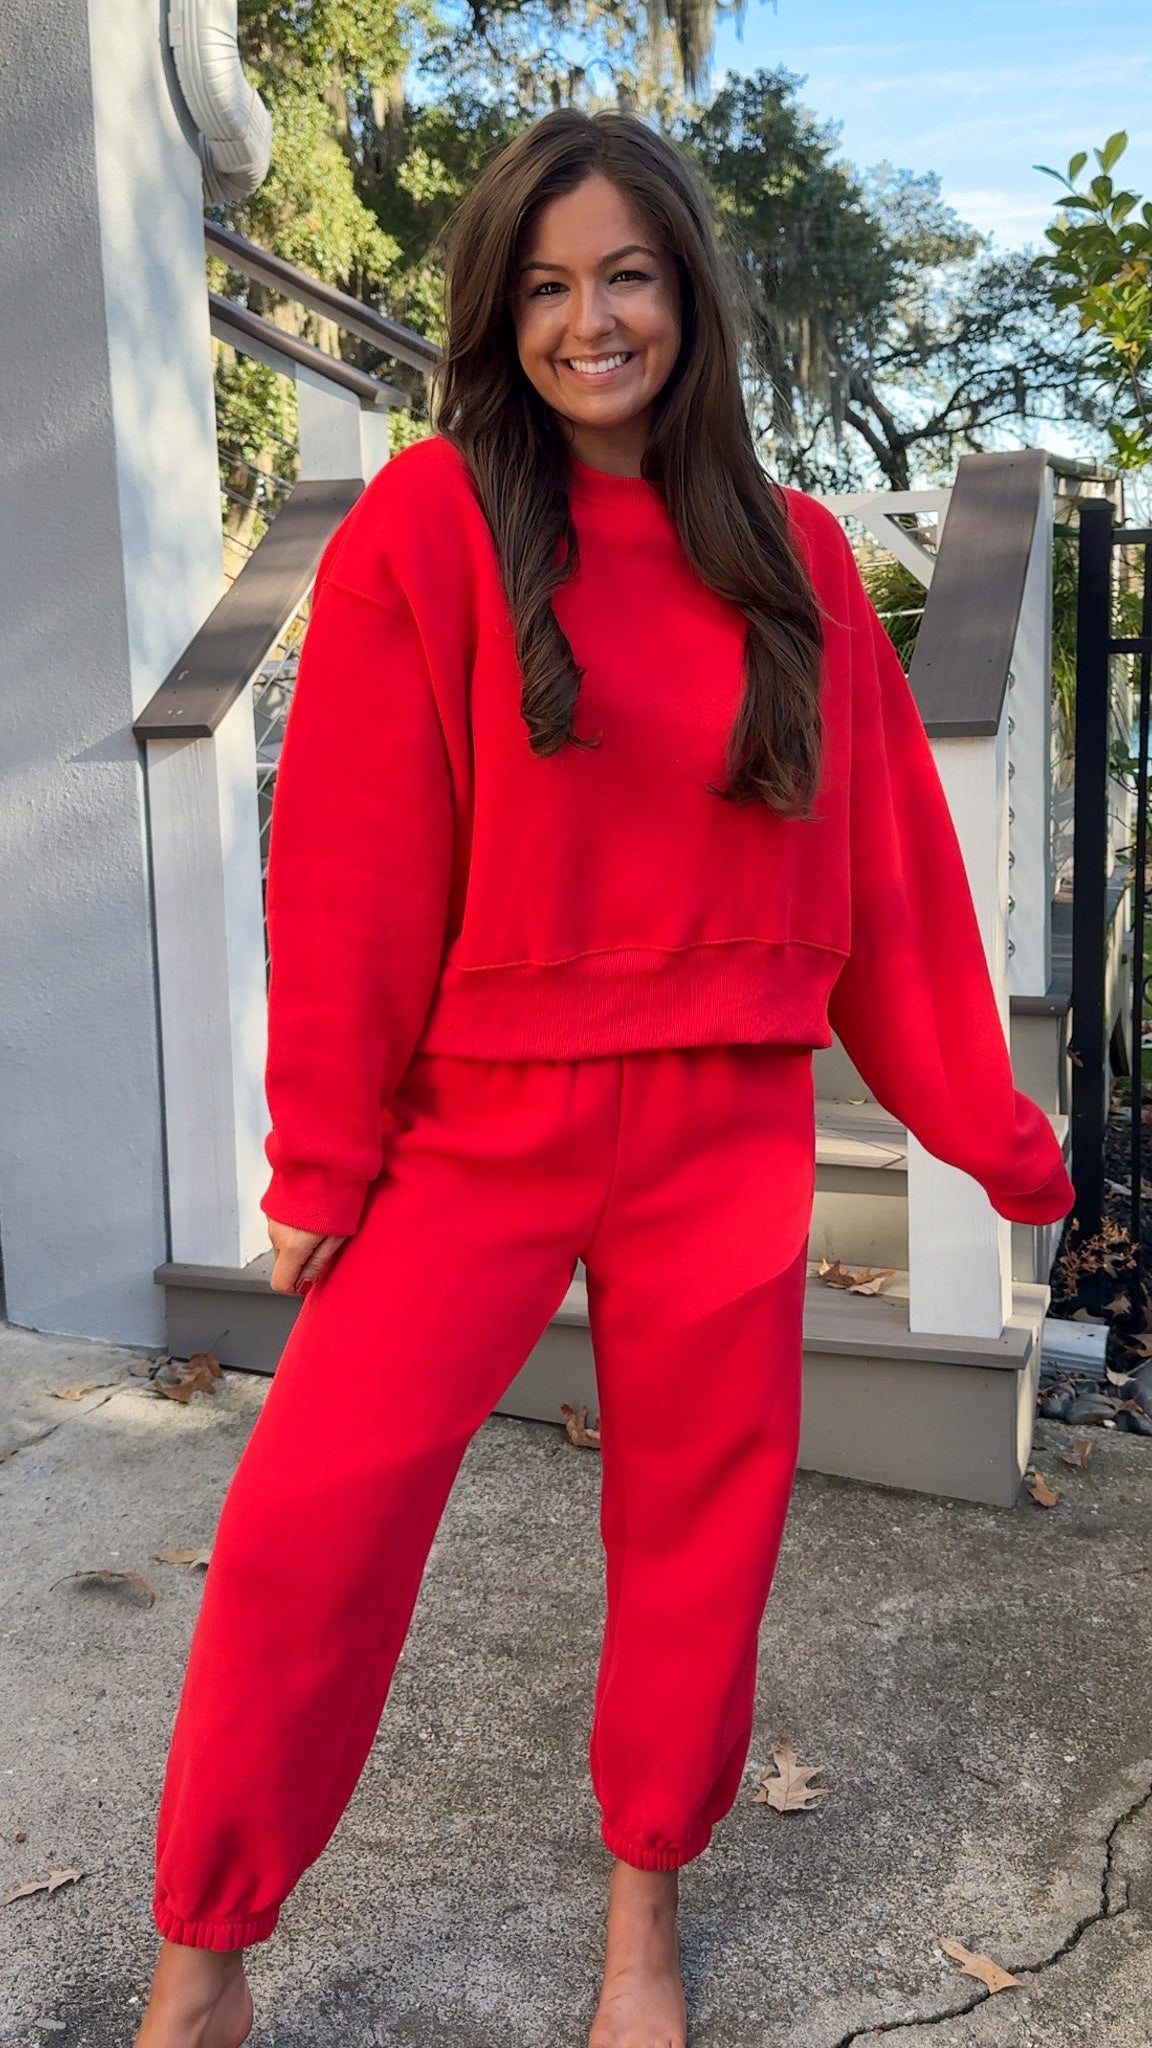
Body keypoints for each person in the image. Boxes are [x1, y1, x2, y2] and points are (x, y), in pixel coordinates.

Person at [132, 107, 1074, 2048]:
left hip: (724, 1131)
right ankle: (204, 1953)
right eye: (548, 287)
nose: (591, 322)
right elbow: (353, 865)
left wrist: (990, 1132)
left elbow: (892, 879)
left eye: (626, 276)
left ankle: (645, 1912)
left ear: (687, 295)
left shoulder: (799, 555)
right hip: (474, 1131)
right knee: (311, 1527)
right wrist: (322, 1159)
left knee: (697, 1543)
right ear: (503, 315)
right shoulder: (428, 524)